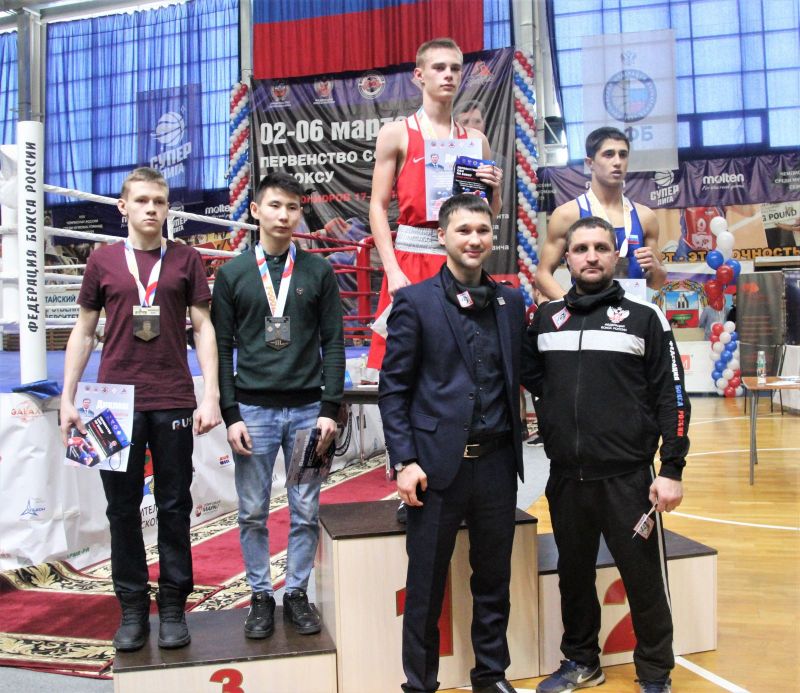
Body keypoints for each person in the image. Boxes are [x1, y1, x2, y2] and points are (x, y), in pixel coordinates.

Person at [522, 216, 689, 693]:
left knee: (643, 580)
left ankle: (654, 672)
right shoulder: (546, 319)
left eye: (600, 247)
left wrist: (671, 467)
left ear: (616, 255)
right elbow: (534, 377)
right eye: (581, 248)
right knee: (573, 577)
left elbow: (673, 397)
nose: (591, 256)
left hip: (628, 480)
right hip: (566, 477)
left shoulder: (645, 317)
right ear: (566, 258)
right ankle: (581, 661)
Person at [60, 167, 221, 652]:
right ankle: (131, 607)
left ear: (168, 207)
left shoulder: (186, 258)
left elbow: (203, 327)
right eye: (143, 200)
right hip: (110, 403)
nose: (152, 208)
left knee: (174, 506)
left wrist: (210, 394)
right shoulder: (103, 261)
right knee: (121, 510)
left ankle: (172, 605)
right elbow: (84, 330)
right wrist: (68, 397)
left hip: (172, 397)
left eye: (160, 201)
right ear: (123, 207)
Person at [379, 194, 525, 693]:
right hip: (436, 468)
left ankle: (491, 675)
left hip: (497, 464)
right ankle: (420, 684)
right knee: (426, 584)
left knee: (494, 580)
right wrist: (404, 461)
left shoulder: (511, 302)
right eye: (464, 230)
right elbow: (393, 390)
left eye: (482, 230)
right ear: (442, 236)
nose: (474, 239)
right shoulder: (414, 302)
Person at [211, 171, 345, 640]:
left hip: (309, 413)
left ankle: (297, 593)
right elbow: (221, 348)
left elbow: (334, 342)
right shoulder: (232, 274)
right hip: (253, 413)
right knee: (252, 510)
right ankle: (261, 596)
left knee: (306, 508)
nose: (284, 215)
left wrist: (330, 407)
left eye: (292, 207)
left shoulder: (318, 271)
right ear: (255, 210)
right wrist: (231, 414)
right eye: (275, 205)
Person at [367, 37, 504, 370]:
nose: (448, 75)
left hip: (460, 260)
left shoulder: (475, 140)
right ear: (419, 75)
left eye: (455, 68)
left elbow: (487, 215)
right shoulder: (396, 133)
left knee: (463, 360)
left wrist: (495, 190)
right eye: (439, 67)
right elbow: (377, 207)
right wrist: (392, 269)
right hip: (411, 258)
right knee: (404, 361)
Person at [536, 127, 666, 301]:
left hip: (633, 313)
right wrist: (574, 306)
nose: (617, 162)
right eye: (608, 154)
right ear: (590, 163)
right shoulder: (567, 215)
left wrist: (656, 269)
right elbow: (542, 274)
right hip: (586, 314)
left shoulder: (645, 217)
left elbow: (657, 283)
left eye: (623, 155)